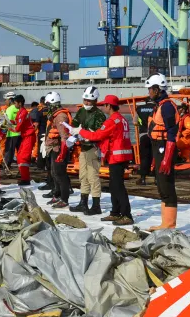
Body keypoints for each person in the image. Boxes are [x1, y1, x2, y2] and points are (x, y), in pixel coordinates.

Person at [74, 95, 134, 225]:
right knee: (114, 185)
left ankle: (126, 215)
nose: (103, 107)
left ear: (109, 106)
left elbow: (98, 135)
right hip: (122, 156)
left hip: (116, 157)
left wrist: (81, 131)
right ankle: (115, 212)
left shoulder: (112, 121)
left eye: (104, 105)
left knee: (118, 187)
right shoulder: (122, 119)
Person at [146, 73, 179, 230]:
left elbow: (172, 133)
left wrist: (167, 157)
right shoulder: (159, 105)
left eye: (150, 90)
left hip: (165, 148)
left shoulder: (166, 106)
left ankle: (169, 224)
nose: (149, 93)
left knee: (166, 186)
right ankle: (165, 223)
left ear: (157, 89)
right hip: (158, 148)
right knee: (161, 185)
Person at [70, 86, 106, 214]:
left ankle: (96, 205)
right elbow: (74, 124)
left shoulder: (99, 115)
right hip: (83, 148)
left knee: (92, 176)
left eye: (89, 101)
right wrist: (73, 131)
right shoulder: (81, 112)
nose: (86, 103)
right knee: (83, 176)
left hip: (93, 148)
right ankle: (83, 203)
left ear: (95, 100)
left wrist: (83, 131)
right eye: (85, 100)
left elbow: (98, 134)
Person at [43, 92, 72, 208]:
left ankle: (64, 199)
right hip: (53, 148)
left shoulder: (60, 117)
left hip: (58, 148)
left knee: (60, 174)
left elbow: (64, 136)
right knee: (54, 173)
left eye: (48, 104)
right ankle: (57, 194)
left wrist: (62, 152)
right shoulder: (55, 115)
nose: (46, 107)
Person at [12, 95, 35, 186]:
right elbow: (17, 122)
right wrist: (9, 122)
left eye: (15, 103)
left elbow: (17, 128)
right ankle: (24, 176)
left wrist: (8, 127)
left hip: (28, 136)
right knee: (20, 156)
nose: (14, 105)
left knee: (23, 157)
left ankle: (25, 179)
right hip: (26, 137)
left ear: (20, 103)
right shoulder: (21, 112)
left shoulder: (23, 112)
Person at [135, 97, 156, 186]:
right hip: (155, 135)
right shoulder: (157, 107)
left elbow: (134, 122)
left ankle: (143, 179)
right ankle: (157, 179)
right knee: (156, 157)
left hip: (143, 135)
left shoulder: (139, 108)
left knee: (144, 157)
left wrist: (141, 124)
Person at [3, 91, 20, 166]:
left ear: (10, 100)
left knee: (9, 152)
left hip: (11, 134)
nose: (5, 101)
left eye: (5, 100)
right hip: (20, 134)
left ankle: (7, 167)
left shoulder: (9, 109)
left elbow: (7, 122)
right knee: (19, 152)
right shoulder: (20, 108)